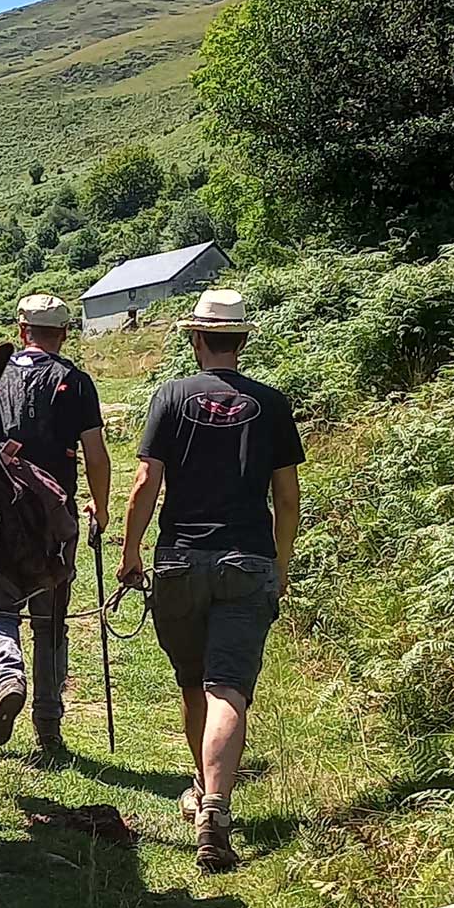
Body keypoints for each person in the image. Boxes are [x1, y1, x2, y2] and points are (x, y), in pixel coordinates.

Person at [117, 288, 303, 873]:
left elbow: (147, 482)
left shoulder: (170, 396)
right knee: (229, 688)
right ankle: (216, 809)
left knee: (193, 682)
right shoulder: (271, 405)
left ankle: (201, 790)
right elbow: (287, 497)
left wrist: (130, 553)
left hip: (180, 558)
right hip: (248, 561)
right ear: (241, 340)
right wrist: (281, 562)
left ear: (196, 339)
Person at [0, 294, 110, 751]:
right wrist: (101, 506)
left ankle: (9, 677)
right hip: (57, 511)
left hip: (2, 512)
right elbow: (95, 453)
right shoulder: (74, 382)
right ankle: (48, 725)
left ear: (21, 331)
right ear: (64, 334)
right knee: (51, 619)